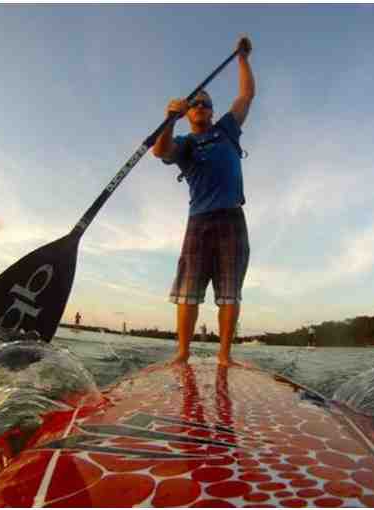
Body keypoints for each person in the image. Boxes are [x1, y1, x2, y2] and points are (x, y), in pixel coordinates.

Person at [152, 36, 255, 367]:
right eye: (194, 103)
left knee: (229, 292)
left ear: (211, 111)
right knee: (188, 291)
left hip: (232, 218)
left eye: (206, 103)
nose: (200, 106)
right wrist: (168, 119)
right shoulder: (183, 143)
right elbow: (160, 151)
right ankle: (182, 353)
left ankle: (225, 357)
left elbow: (245, 95)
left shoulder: (226, 129)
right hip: (199, 221)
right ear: (187, 112)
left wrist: (242, 58)